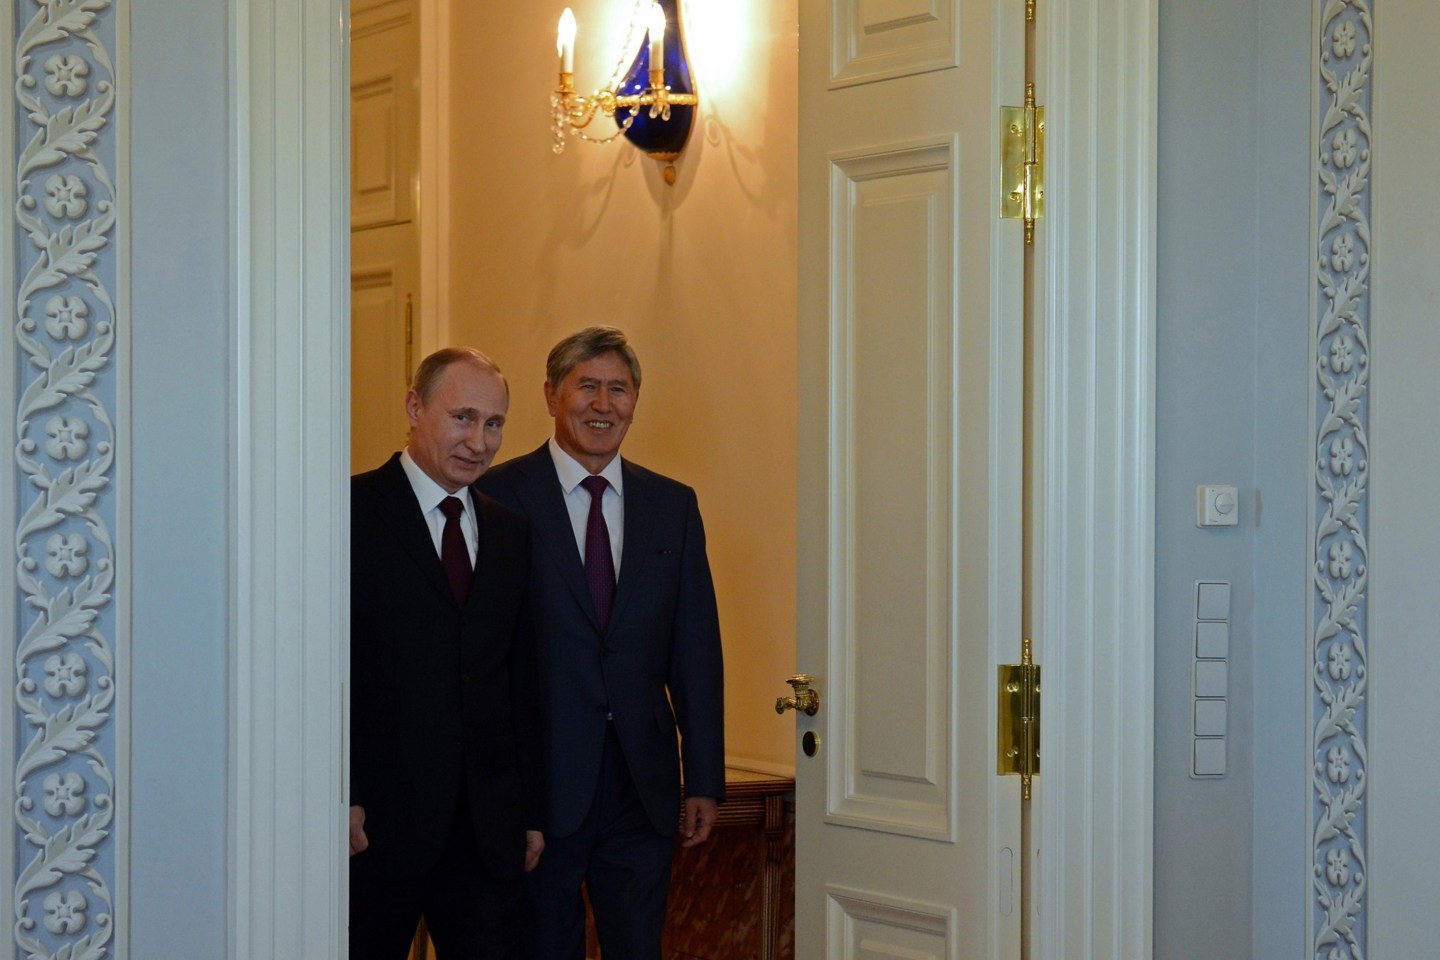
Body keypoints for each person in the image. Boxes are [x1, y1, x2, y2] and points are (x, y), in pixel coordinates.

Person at [478, 326, 725, 960]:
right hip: (541, 787)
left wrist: (703, 777)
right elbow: (483, 659)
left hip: (640, 790)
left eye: (618, 388)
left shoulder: (673, 505)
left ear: (636, 399)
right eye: (587, 386)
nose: (603, 404)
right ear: (551, 396)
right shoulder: (495, 497)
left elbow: (695, 651)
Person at [348, 347, 545, 959]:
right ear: (414, 407)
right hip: (374, 827)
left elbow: (521, 682)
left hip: (487, 834)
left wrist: (530, 810)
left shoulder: (511, 533)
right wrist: (337, 791)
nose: (479, 441)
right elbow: (326, 673)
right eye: (463, 417)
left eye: (494, 424)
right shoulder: (345, 514)